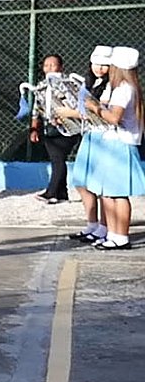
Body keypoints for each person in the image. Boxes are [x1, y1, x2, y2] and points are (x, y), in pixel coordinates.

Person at [63, 45, 145, 250]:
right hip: (112, 141)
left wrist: (94, 107)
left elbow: (114, 117)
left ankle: (121, 236)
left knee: (118, 194)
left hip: (120, 143)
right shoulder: (119, 88)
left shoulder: (125, 89)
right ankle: (112, 233)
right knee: (108, 193)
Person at [65, 46, 114, 245]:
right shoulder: (90, 83)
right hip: (89, 136)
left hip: (105, 137)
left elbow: (100, 113)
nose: (99, 68)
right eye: (96, 63)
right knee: (81, 182)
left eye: (104, 64)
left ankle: (104, 228)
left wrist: (70, 114)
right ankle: (92, 224)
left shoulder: (112, 86)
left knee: (101, 186)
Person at [31, 53, 82, 203]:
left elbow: (75, 104)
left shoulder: (68, 84)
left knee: (57, 158)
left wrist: (64, 117)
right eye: (46, 65)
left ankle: (51, 192)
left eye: (53, 65)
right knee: (58, 159)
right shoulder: (41, 86)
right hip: (50, 128)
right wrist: (34, 128)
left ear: (60, 67)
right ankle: (62, 193)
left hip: (69, 127)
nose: (49, 68)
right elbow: (36, 108)